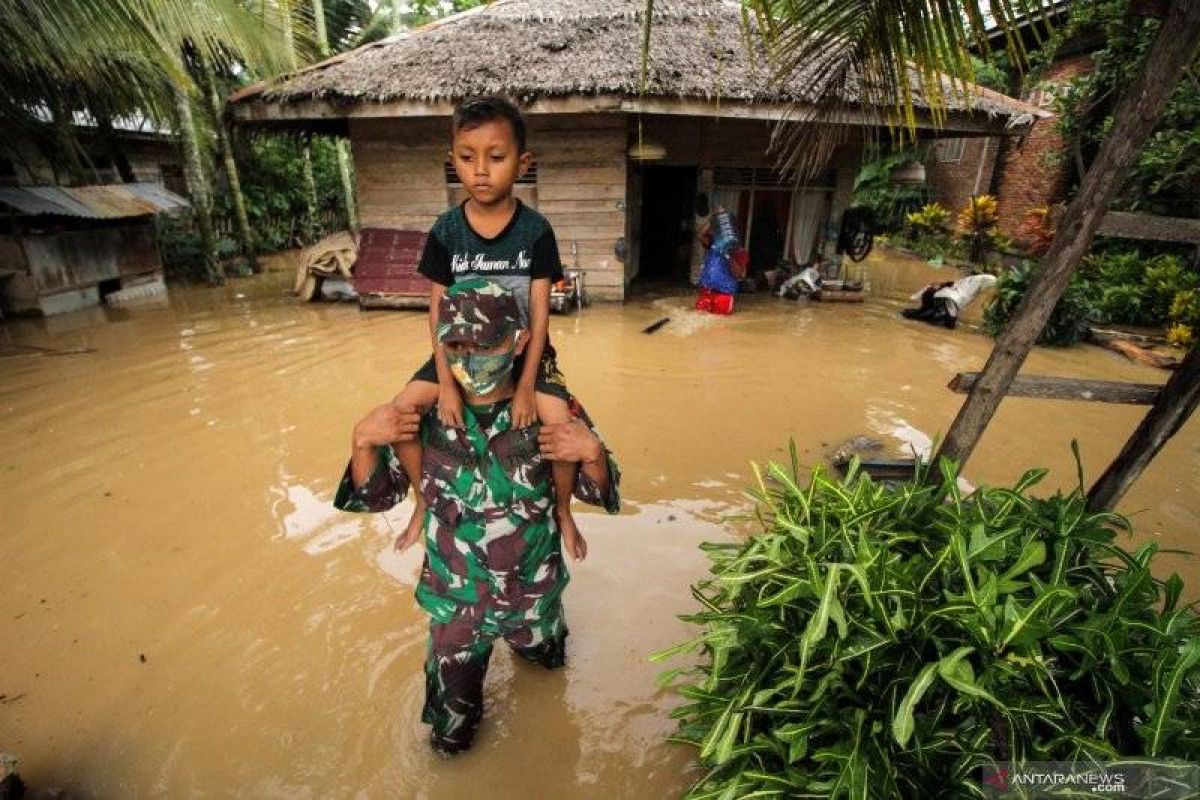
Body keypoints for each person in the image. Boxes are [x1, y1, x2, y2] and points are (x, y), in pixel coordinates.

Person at [335, 278, 620, 754]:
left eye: (484, 343)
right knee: (450, 737)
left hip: (535, 597)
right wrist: (360, 440)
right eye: (457, 345)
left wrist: (593, 453)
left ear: (518, 341)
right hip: (457, 606)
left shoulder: (551, 408)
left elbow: (598, 491)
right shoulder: (421, 414)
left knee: (550, 686)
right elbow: (377, 496)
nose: (469, 358)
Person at [390, 95, 588, 564]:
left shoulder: (536, 230)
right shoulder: (446, 231)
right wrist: (446, 385)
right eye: (466, 157)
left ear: (523, 163)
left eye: (496, 158)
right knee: (401, 410)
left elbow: (540, 316)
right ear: (452, 160)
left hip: (524, 352)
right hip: (459, 353)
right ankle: (422, 499)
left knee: (558, 419)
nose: (481, 170)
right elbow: (437, 315)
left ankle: (562, 510)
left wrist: (524, 387)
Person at [902, 272, 997, 329]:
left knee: (930, 316)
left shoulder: (966, 283)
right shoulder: (956, 290)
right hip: (946, 299)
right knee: (948, 323)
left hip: (943, 298)